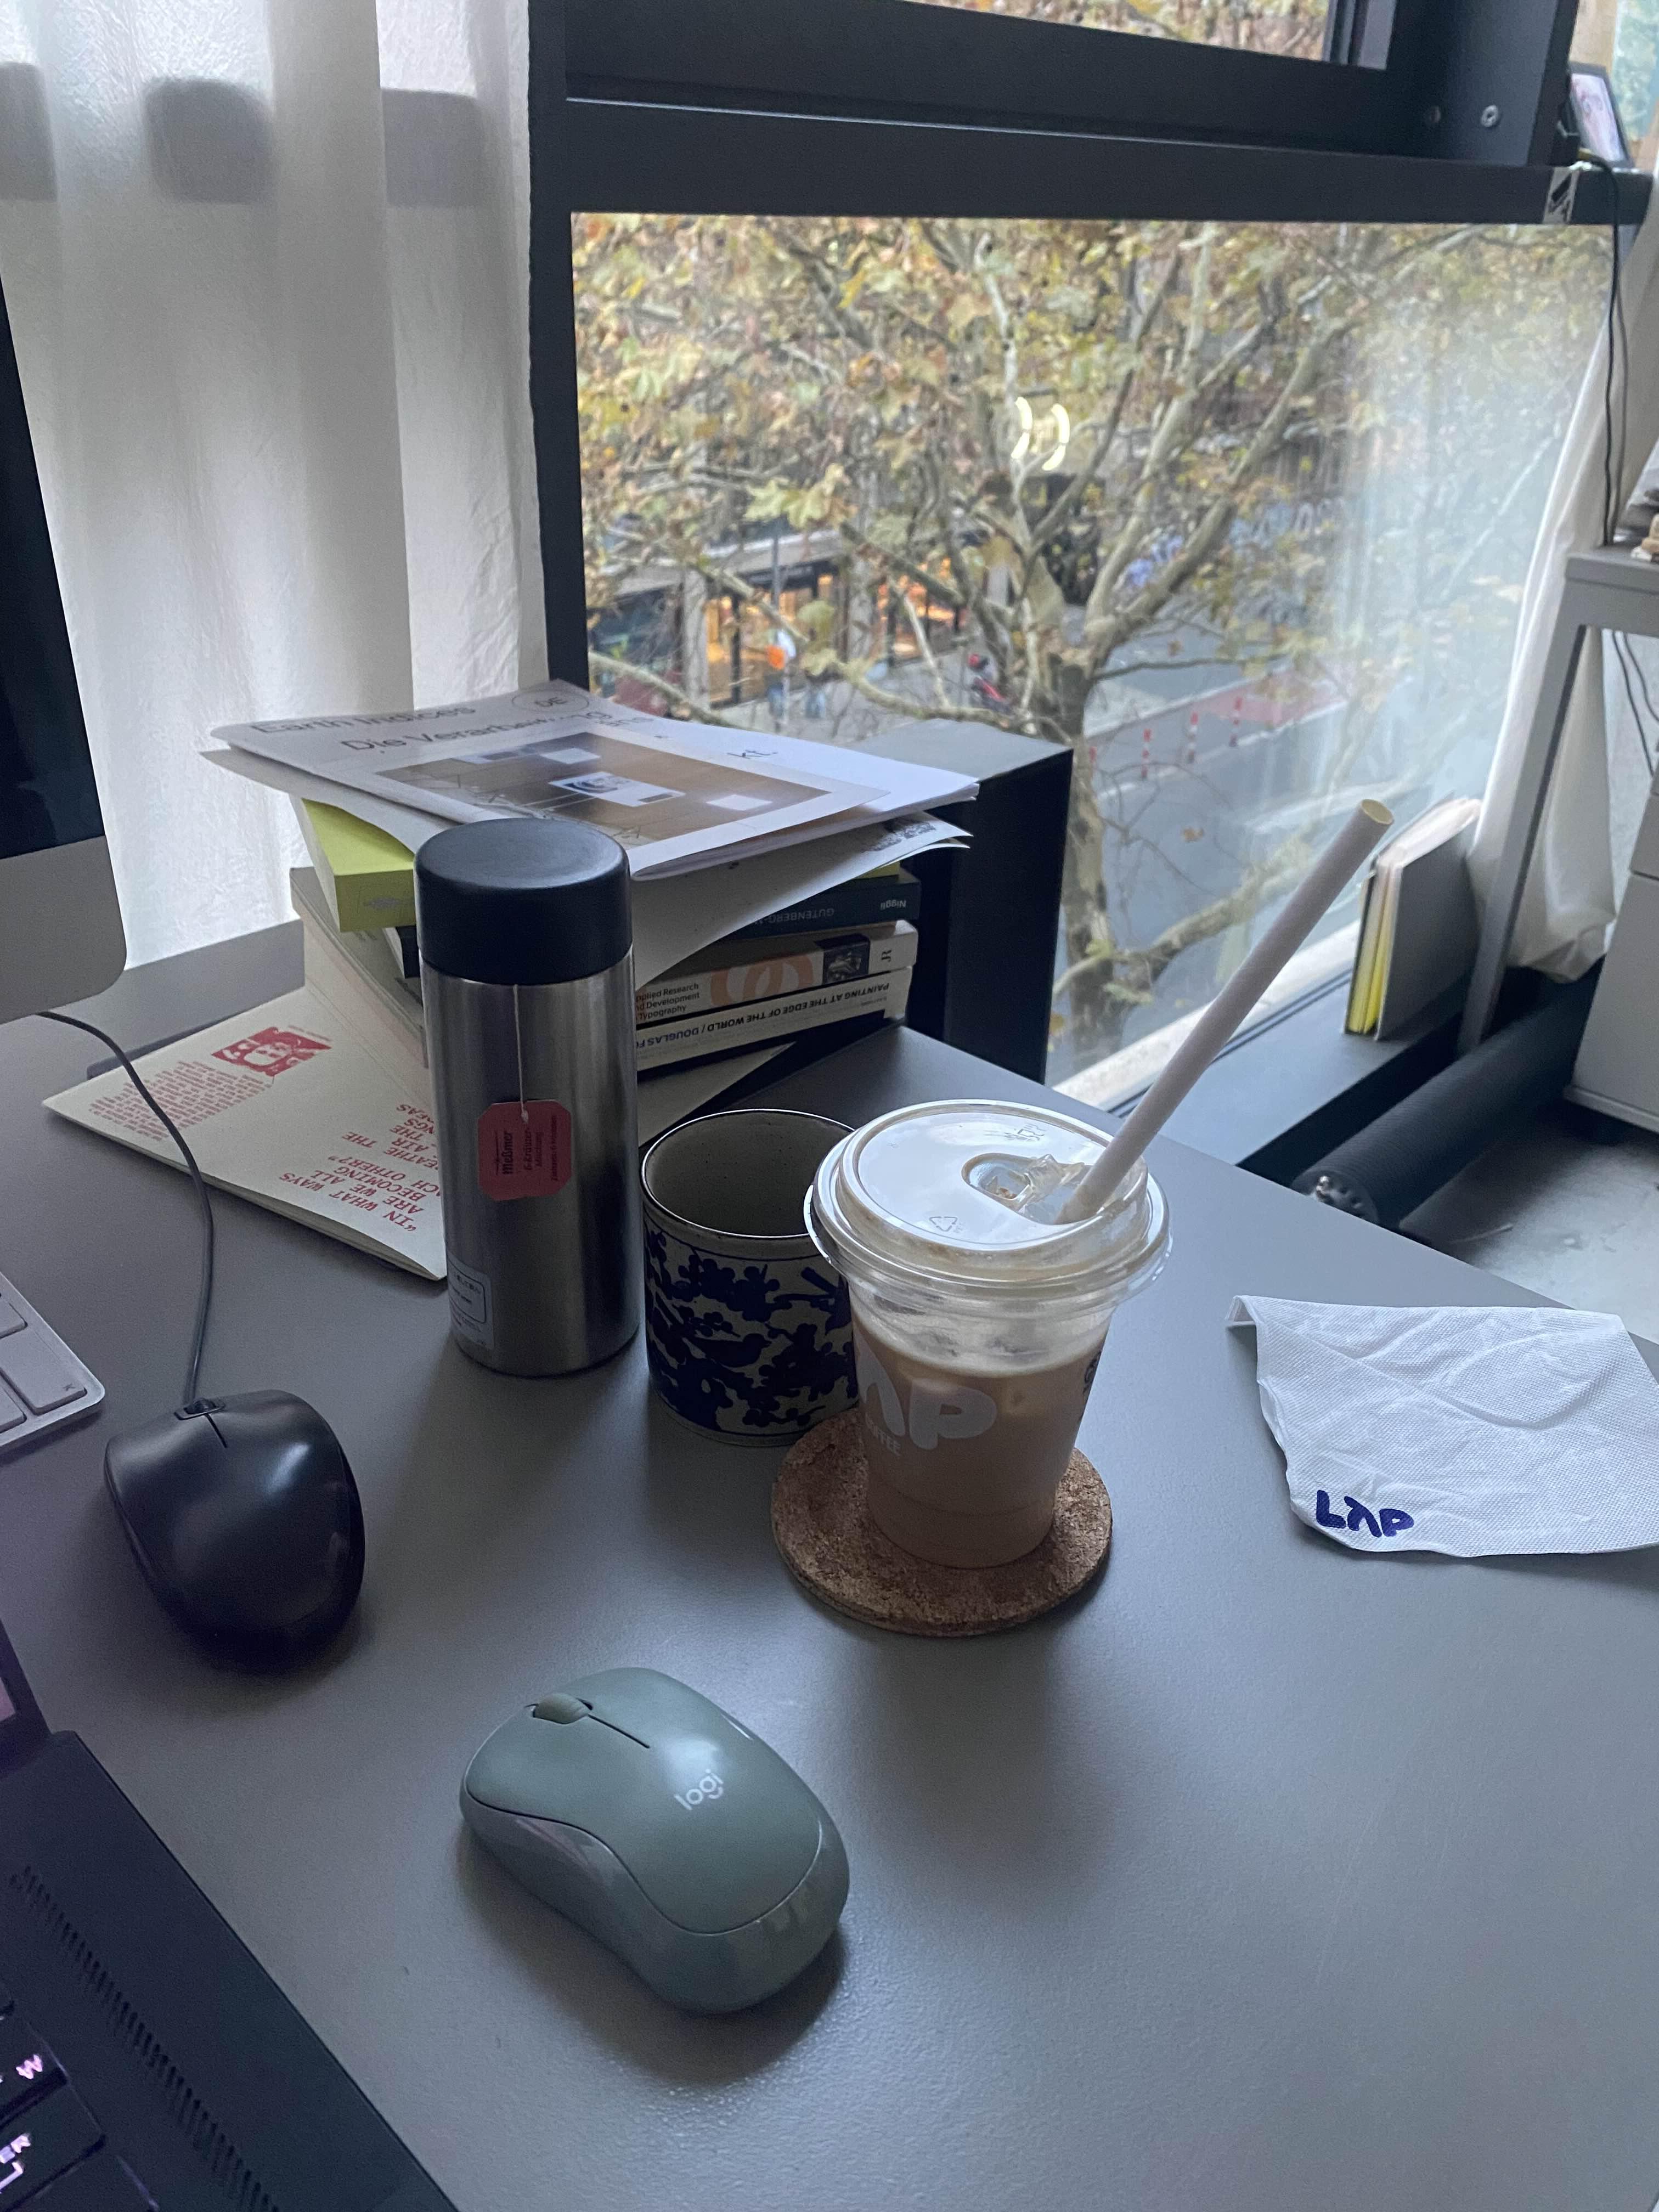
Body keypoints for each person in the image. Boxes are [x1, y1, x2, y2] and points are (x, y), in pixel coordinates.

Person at [764, 636, 789, 729]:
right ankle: (777, 718)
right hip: (775, 681)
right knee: (777, 700)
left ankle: (777, 718)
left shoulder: (775, 651)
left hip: (776, 681)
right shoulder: (776, 651)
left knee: (776, 700)